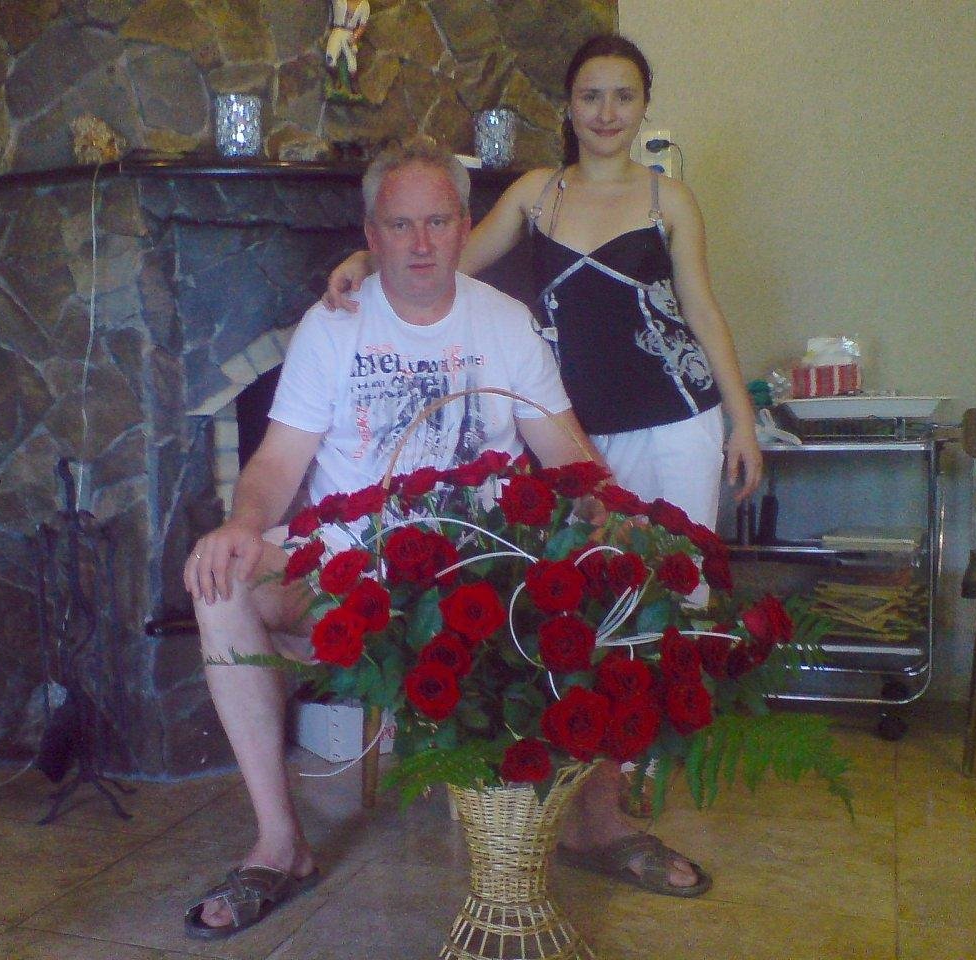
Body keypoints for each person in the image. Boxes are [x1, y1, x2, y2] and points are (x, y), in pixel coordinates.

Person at [183, 137, 708, 942]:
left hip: (482, 581)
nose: (421, 243)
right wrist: (244, 524)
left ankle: (596, 824)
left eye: (437, 221)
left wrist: (614, 516)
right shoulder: (332, 328)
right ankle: (280, 846)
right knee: (221, 583)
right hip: (346, 577)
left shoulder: (504, 323)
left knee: (610, 570)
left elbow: (566, 450)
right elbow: (278, 461)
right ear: (372, 233)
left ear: (465, 226)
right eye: (400, 224)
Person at [325, 34, 763, 542]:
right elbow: (448, 259)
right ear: (569, 106)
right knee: (593, 578)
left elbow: (702, 313)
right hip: (573, 432)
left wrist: (743, 424)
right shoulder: (536, 192)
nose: (606, 113)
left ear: (644, 105)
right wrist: (367, 258)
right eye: (591, 96)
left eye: (624, 96)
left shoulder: (670, 199)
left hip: (674, 421)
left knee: (678, 572)